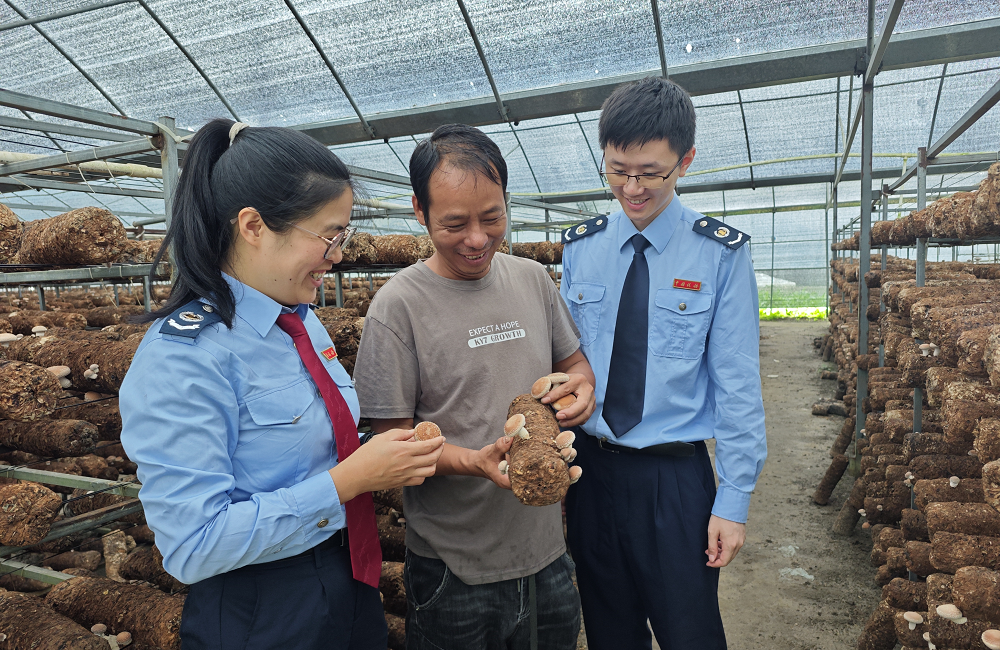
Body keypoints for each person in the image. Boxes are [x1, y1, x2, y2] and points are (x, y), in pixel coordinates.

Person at [119, 119, 445, 650]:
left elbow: (306, 448)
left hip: (346, 578)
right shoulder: (185, 357)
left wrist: (382, 454)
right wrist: (347, 482)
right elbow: (193, 547)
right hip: (260, 610)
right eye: (328, 235)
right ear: (253, 226)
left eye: (343, 236)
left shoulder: (300, 318)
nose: (338, 254)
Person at [352, 123, 596, 650]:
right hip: (453, 571)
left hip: (547, 556)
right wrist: (477, 462)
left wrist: (579, 392)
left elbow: (577, 365)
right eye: (454, 223)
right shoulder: (397, 308)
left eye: (492, 217)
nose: (478, 239)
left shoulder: (532, 279)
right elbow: (393, 447)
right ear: (420, 212)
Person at [559, 77, 767, 649]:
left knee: (690, 632)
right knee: (608, 631)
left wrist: (734, 501)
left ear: (686, 160)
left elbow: (737, 384)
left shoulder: (719, 252)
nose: (632, 187)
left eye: (650, 172)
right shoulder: (580, 246)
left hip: (672, 478)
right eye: (617, 169)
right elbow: (568, 358)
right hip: (591, 473)